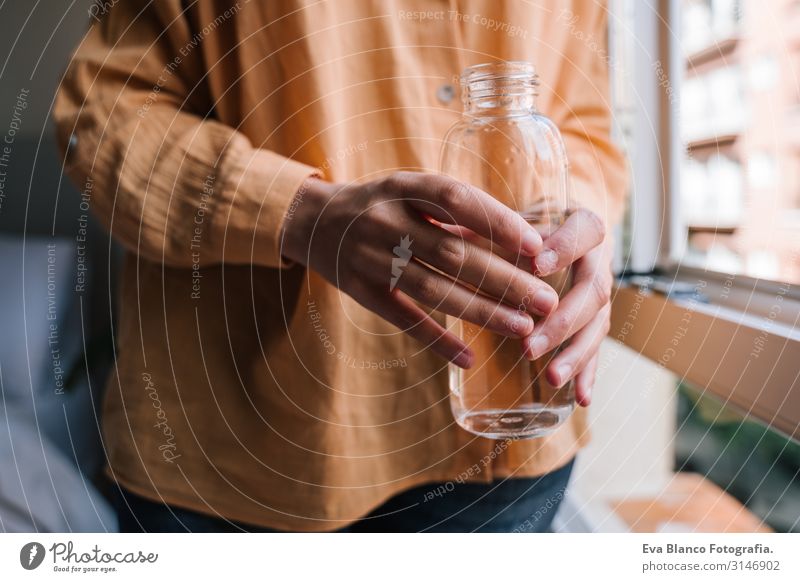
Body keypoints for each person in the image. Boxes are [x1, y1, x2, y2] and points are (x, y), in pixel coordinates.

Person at [54, 0, 626, 532]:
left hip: (513, 445)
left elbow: (586, 125)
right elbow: (102, 117)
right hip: (248, 454)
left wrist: (584, 222)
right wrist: (298, 214)